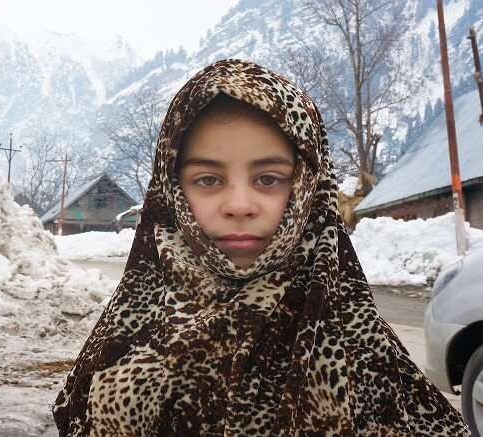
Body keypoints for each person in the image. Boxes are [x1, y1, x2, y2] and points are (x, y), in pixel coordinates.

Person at [52, 59, 469, 436]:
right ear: (172, 188)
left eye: (268, 179)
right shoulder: (120, 341)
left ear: (308, 186)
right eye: (208, 180)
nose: (238, 206)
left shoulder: (363, 356)